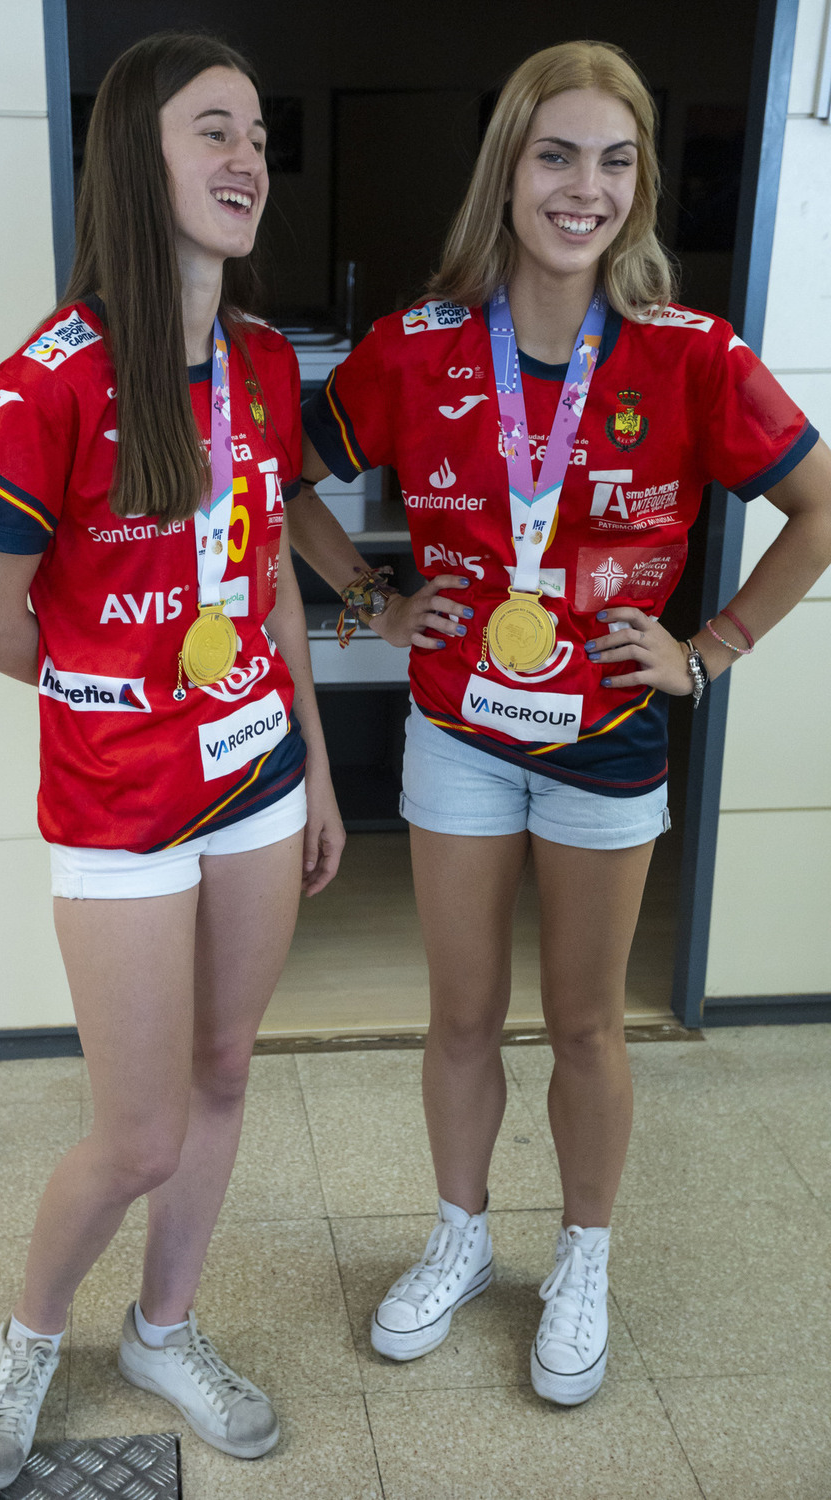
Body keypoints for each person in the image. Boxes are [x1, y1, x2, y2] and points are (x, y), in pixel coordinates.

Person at [289, 40, 831, 1407]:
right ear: (507, 170)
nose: (583, 188)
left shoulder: (689, 354)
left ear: (639, 185)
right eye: (555, 154)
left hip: (607, 739)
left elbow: (822, 502)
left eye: (614, 160)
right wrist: (365, 590)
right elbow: (281, 475)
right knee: (462, 1015)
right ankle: (462, 1235)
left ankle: (581, 1256)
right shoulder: (417, 346)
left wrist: (711, 647)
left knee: (587, 1024)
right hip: (459, 730)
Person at [0, 32, 344, 1489]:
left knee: (228, 1068)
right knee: (136, 1126)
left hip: (255, 780)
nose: (248, 159)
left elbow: (270, 579)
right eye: (212, 132)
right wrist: (122, 695)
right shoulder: (45, 379)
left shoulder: (256, 360)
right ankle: (33, 1341)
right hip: (118, 805)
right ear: (138, 154)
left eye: (257, 133)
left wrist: (314, 761)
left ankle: (164, 1328)